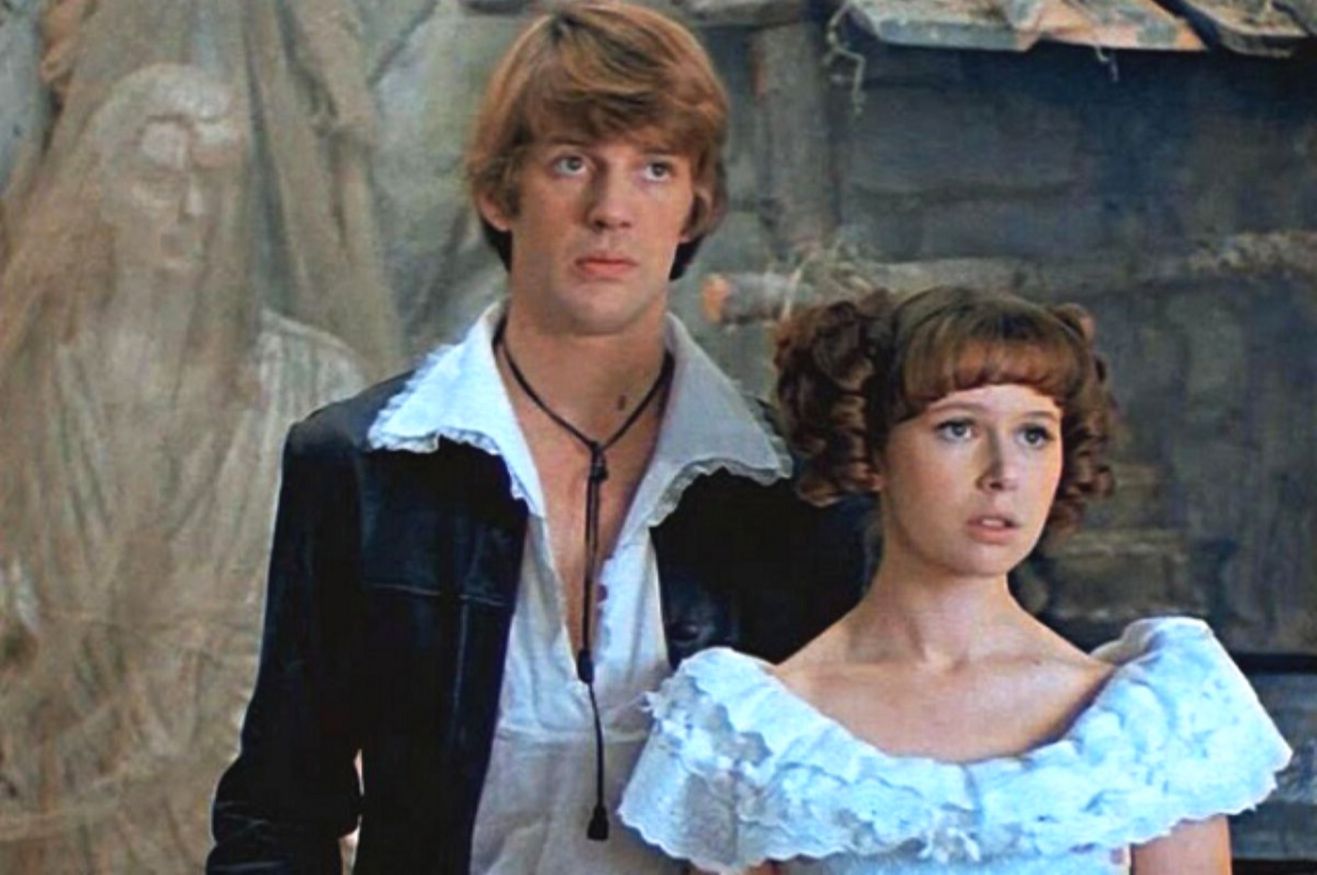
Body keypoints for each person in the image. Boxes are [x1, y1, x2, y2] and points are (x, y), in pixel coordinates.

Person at [206, 4, 870, 874]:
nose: (610, 210)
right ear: (500, 191)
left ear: (694, 205)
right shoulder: (361, 468)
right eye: (571, 162)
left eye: (654, 168)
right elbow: (276, 812)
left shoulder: (792, 492)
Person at [619, 286, 1293, 874]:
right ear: (871, 449)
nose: (1003, 472)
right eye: (958, 428)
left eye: (1034, 434)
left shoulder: (1153, 721)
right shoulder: (754, 729)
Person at [0, 64, 365, 873]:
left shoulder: (313, 384)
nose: (193, 210)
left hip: (241, 805)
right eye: (160, 180)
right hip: (53, 802)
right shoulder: (29, 379)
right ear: (102, 190)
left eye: (217, 184)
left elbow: (350, 630)